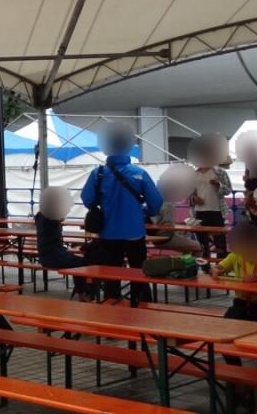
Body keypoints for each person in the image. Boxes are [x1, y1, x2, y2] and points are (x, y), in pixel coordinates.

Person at [80, 125, 163, 302]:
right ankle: (140, 303)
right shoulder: (139, 173)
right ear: (128, 145)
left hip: (108, 233)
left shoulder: (98, 173)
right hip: (135, 231)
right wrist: (145, 211)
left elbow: (87, 199)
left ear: (106, 145)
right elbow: (156, 202)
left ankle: (112, 303)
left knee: (111, 272)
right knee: (139, 271)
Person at [210, 221, 257, 322]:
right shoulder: (236, 255)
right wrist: (216, 270)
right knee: (229, 319)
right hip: (242, 302)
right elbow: (219, 267)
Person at [34, 186, 88, 299]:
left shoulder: (40, 216)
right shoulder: (52, 218)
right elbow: (60, 218)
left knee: (79, 262)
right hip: (54, 256)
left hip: (45, 256)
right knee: (82, 263)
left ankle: (82, 291)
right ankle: (83, 293)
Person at [188, 140, 232, 258]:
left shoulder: (220, 172)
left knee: (220, 242)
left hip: (217, 210)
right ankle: (205, 265)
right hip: (199, 211)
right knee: (202, 242)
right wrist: (194, 198)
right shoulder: (193, 174)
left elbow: (228, 190)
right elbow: (188, 192)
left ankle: (221, 264)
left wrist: (219, 185)